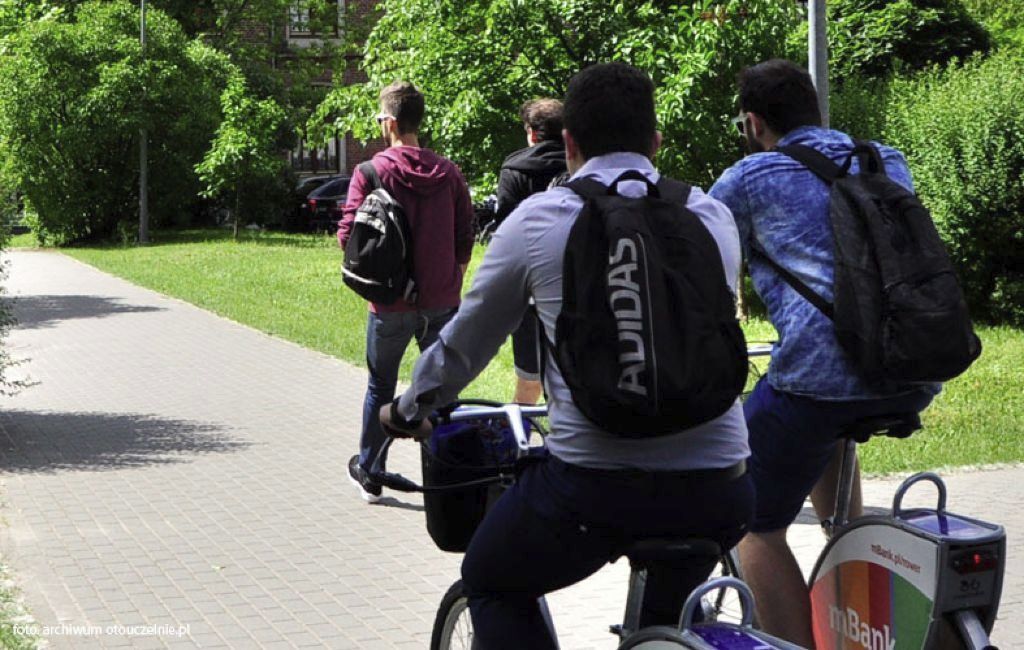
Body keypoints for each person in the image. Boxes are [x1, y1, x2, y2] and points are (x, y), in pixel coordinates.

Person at [379, 62, 753, 649]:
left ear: (569, 144)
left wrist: (408, 409)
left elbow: (467, 343)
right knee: (669, 617)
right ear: (656, 142)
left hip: (592, 489)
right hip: (720, 488)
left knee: (491, 577)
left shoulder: (540, 220)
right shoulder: (710, 215)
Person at [709, 59, 939, 646]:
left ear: (753, 123)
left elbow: (697, 258)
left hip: (817, 380)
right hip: (910, 368)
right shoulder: (883, 158)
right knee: (827, 428)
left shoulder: (748, 178)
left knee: (751, 523)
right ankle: (851, 553)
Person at [339, 80, 475, 504]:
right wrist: (449, 277)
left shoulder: (370, 172)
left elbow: (348, 234)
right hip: (441, 301)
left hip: (389, 302)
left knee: (380, 386)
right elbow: (465, 236)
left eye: (381, 118)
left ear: (392, 122)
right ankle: (448, 474)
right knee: (441, 390)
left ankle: (371, 471)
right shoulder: (449, 173)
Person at [495, 98, 567, 405]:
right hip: (576, 290)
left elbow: (506, 235)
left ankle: (521, 435)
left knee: (528, 381)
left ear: (533, 133)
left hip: (530, 292)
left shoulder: (514, 169)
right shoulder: (582, 165)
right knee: (573, 383)